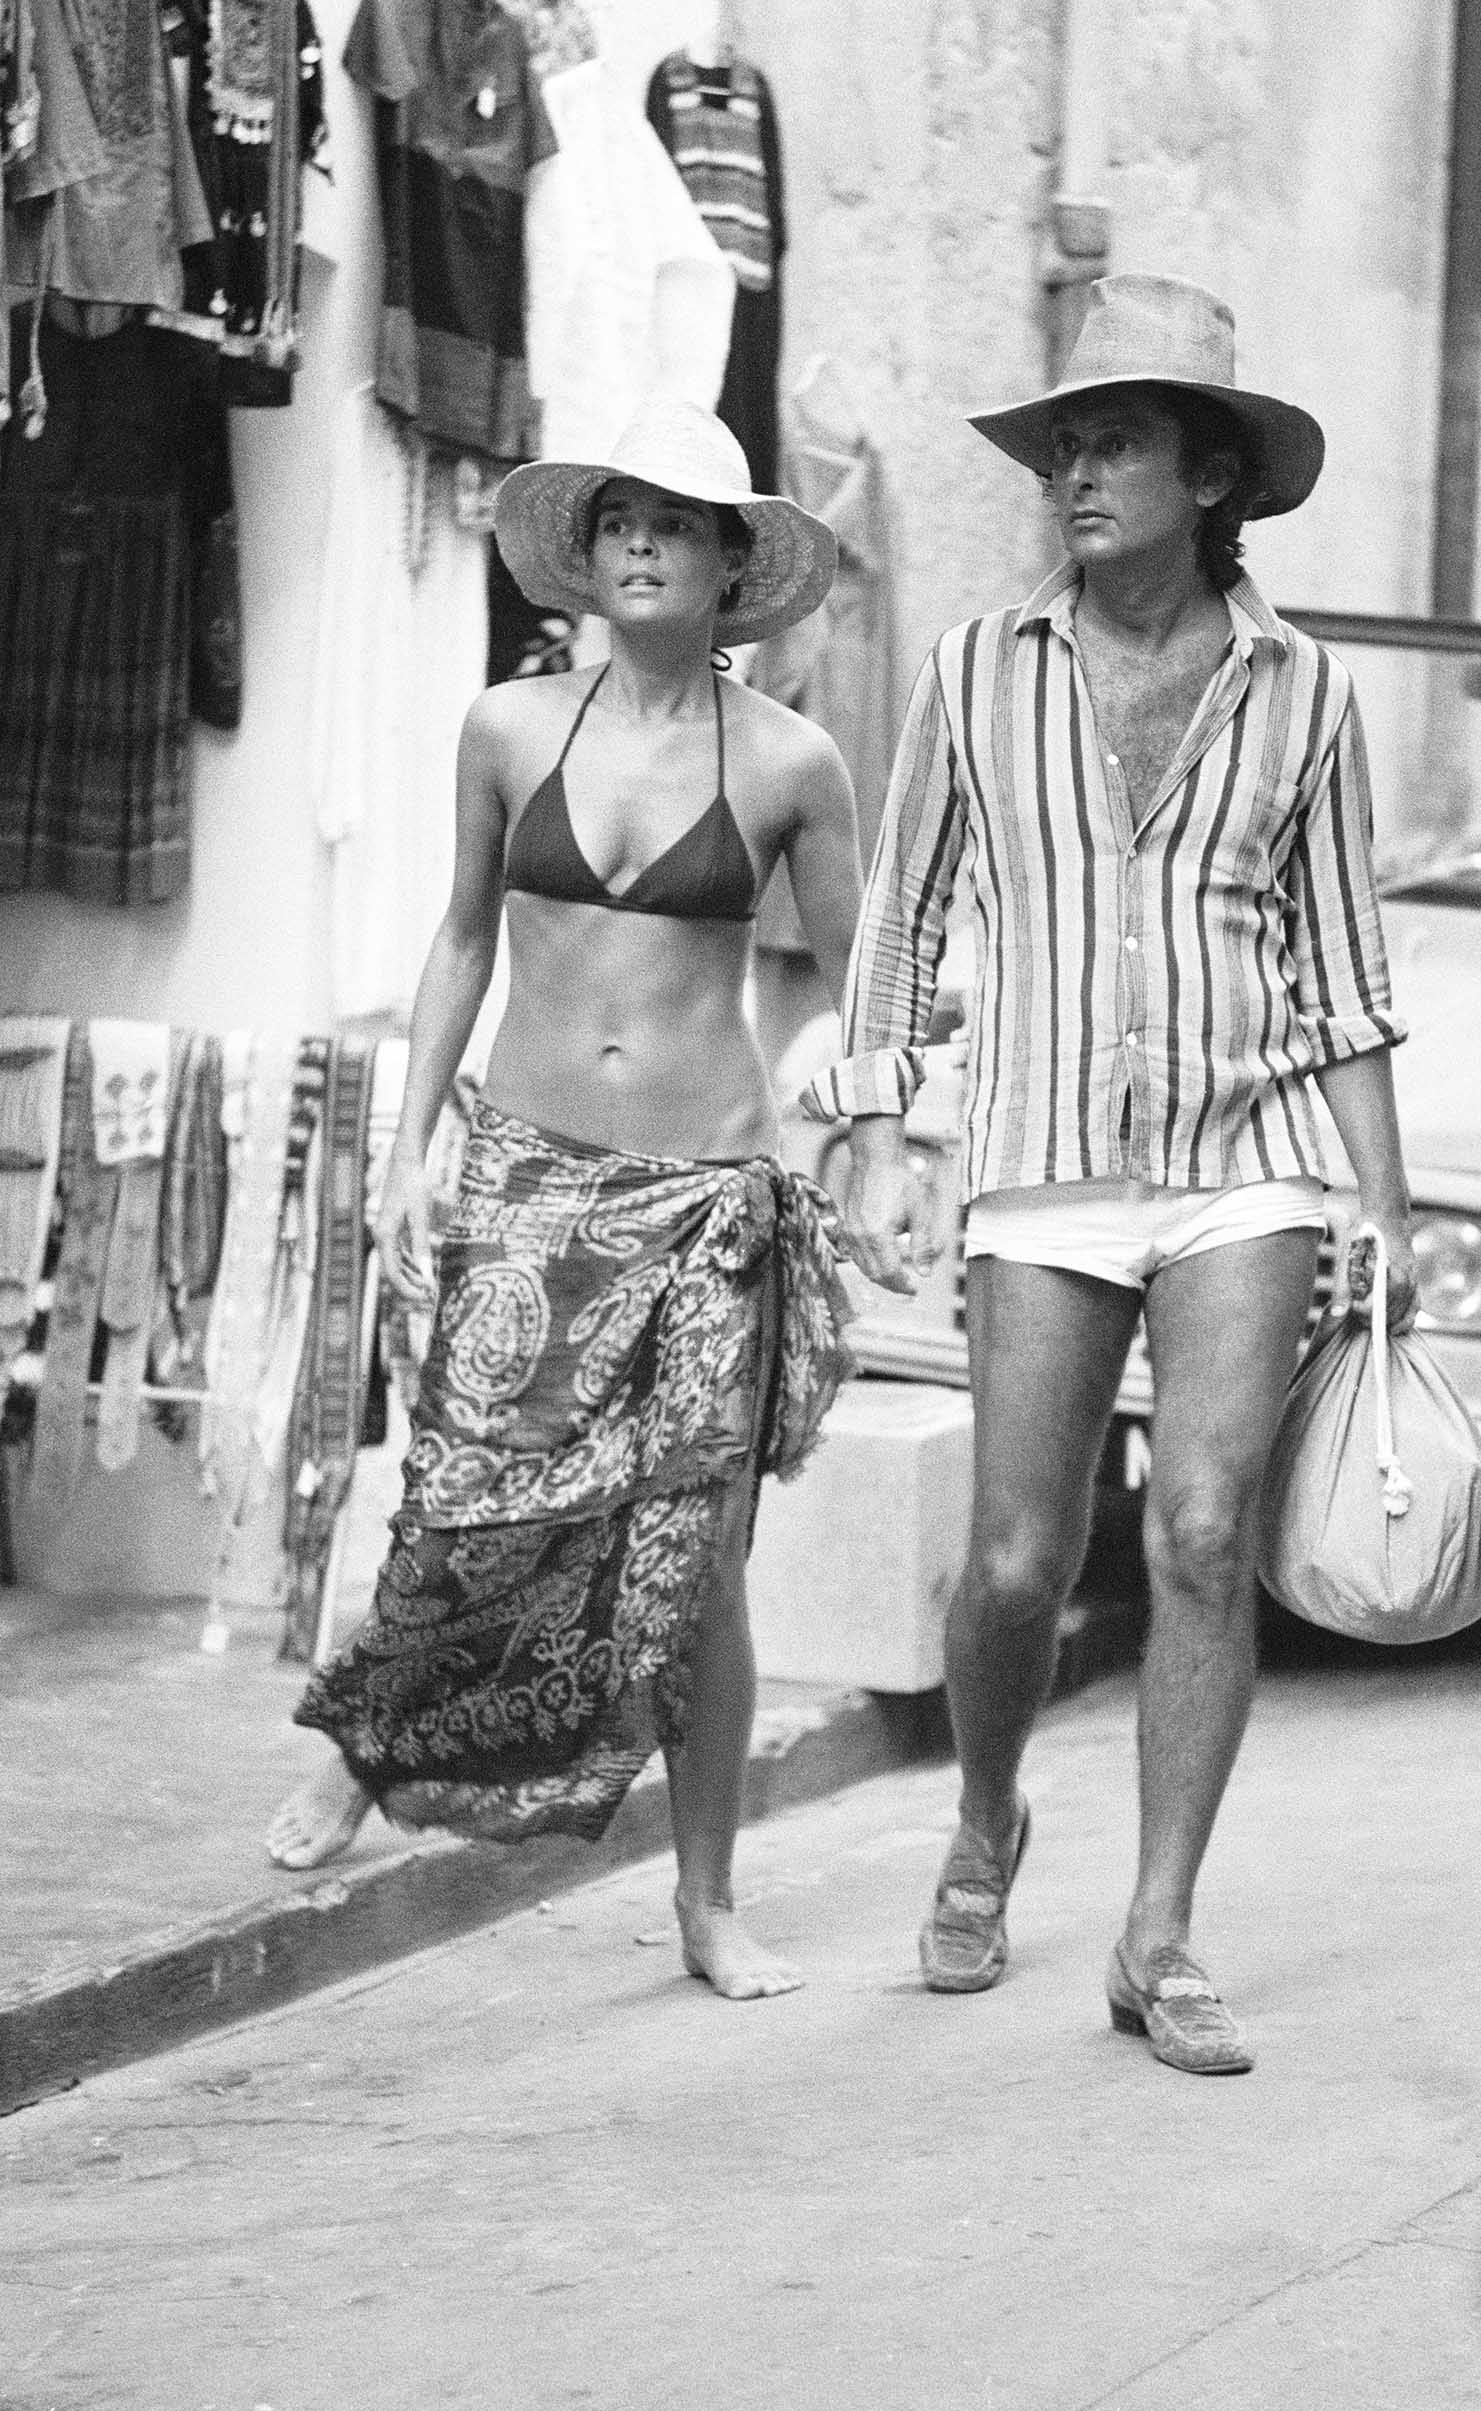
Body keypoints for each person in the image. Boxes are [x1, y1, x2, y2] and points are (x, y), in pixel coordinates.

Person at [810, 273, 1416, 2071]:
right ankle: (988, 1813)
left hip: (1251, 1160)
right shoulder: (976, 672)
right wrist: (874, 1117)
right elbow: (901, 909)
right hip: (1043, 1157)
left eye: (1115, 443)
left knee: (1206, 1534)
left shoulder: (1303, 694)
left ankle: (1160, 1932)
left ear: (1208, 477)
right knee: (1013, 1560)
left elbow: (1350, 974)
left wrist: (1379, 1206)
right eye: (1064, 444)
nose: (1076, 474)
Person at [265, 399, 862, 2002]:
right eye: (618, 521)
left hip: (703, 1203)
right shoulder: (509, 728)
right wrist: (409, 1155)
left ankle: (708, 1899)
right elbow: (463, 938)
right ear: (587, 559)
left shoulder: (796, 762)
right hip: (524, 1173)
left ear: (735, 562)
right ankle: (367, 1739)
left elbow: (846, 995)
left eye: (677, 521)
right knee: (466, 1491)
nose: (644, 542)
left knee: (698, 1561)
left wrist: (819, 1151)